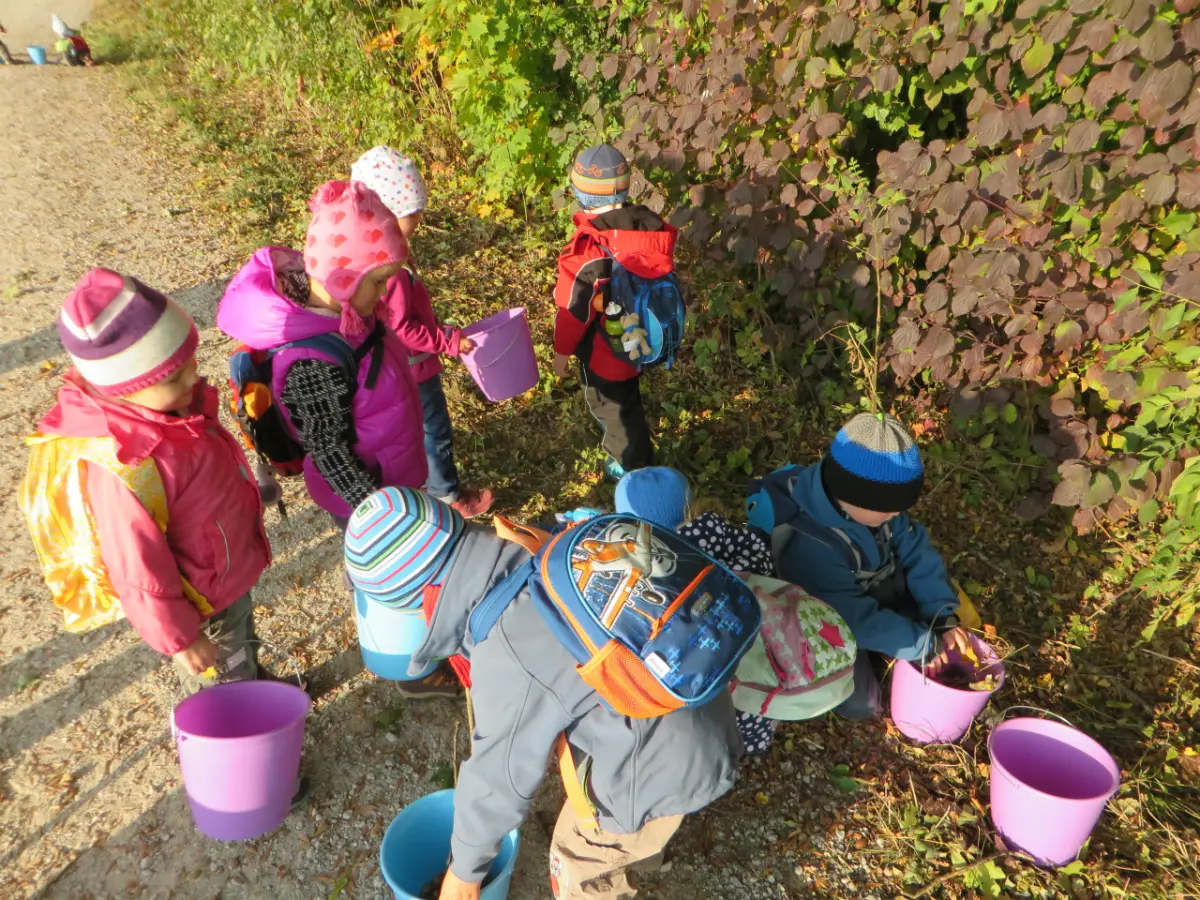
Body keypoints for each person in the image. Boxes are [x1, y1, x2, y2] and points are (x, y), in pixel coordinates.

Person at [344, 487, 744, 900]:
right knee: (641, 825)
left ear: (422, 599)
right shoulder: (540, 543)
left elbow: (497, 778)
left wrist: (462, 875)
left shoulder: (510, 650)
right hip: (698, 705)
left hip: (660, 767)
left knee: (576, 863)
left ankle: (625, 847)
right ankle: (641, 843)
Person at [217, 180, 458, 699]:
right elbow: (328, 453)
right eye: (379, 283)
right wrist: (379, 517)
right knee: (392, 573)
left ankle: (405, 622)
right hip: (367, 497)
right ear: (345, 280)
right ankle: (411, 668)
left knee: (401, 569)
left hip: (391, 474)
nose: (384, 295)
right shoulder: (312, 361)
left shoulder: (351, 318)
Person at [26, 268, 276, 693]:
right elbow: (136, 567)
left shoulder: (172, 408)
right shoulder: (127, 465)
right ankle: (243, 721)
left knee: (242, 643)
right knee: (224, 680)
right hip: (200, 604)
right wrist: (181, 638)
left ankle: (256, 686)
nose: (193, 379)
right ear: (124, 388)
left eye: (191, 363)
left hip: (222, 577)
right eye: (174, 377)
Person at [747, 412, 974, 720]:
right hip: (829, 622)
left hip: (874, 593)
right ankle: (889, 653)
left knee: (949, 625)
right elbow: (852, 619)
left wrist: (941, 615)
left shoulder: (878, 510)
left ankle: (902, 643)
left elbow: (917, 552)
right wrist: (920, 643)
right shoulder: (814, 548)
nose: (896, 516)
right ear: (852, 496)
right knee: (861, 703)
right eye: (888, 510)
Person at [350, 146, 493, 518]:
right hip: (414, 368)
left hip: (394, 367)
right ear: (386, 215)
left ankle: (420, 491)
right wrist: (448, 340)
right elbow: (403, 328)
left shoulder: (370, 254)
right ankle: (447, 497)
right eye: (411, 214)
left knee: (413, 432)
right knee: (434, 431)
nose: (418, 219)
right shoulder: (392, 270)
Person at [614, 466, 780, 754]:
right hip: (761, 688)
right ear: (690, 504)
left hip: (697, 701)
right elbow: (762, 562)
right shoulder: (726, 539)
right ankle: (752, 744)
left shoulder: (643, 577)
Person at [550, 144, 678, 480]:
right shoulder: (649, 228)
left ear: (579, 194)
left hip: (606, 353)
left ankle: (634, 468)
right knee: (628, 397)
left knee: (613, 409)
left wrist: (561, 355)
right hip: (645, 334)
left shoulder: (589, 249)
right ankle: (634, 451)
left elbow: (573, 312)